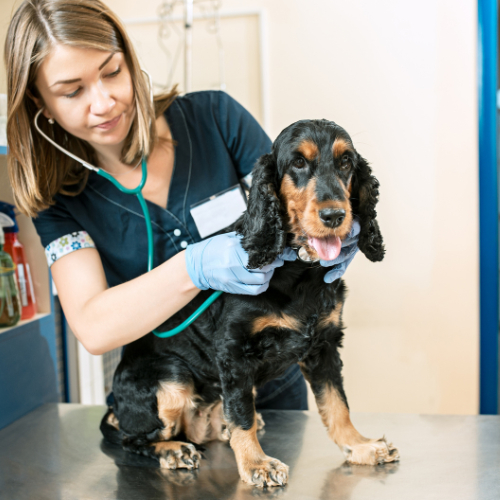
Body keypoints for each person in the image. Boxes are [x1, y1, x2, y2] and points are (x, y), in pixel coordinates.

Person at [4, 0, 359, 411]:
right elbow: (94, 328)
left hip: (268, 392)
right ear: (40, 103)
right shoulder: (56, 199)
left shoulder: (216, 119)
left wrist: (334, 231)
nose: (103, 103)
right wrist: (194, 267)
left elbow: (296, 207)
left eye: (112, 71)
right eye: (72, 91)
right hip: (169, 397)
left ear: (130, 60)